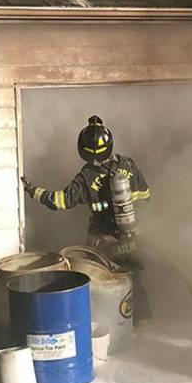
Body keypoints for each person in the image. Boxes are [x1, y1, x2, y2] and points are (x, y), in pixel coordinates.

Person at [21, 115, 152, 318]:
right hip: (134, 237)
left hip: (105, 242)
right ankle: (143, 323)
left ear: (82, 150)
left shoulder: (86, 178)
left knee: (106, 284)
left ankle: (116, 325)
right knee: (135, 281)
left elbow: (59, 201)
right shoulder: (128, 165)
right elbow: (145, 197)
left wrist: (33, 190)